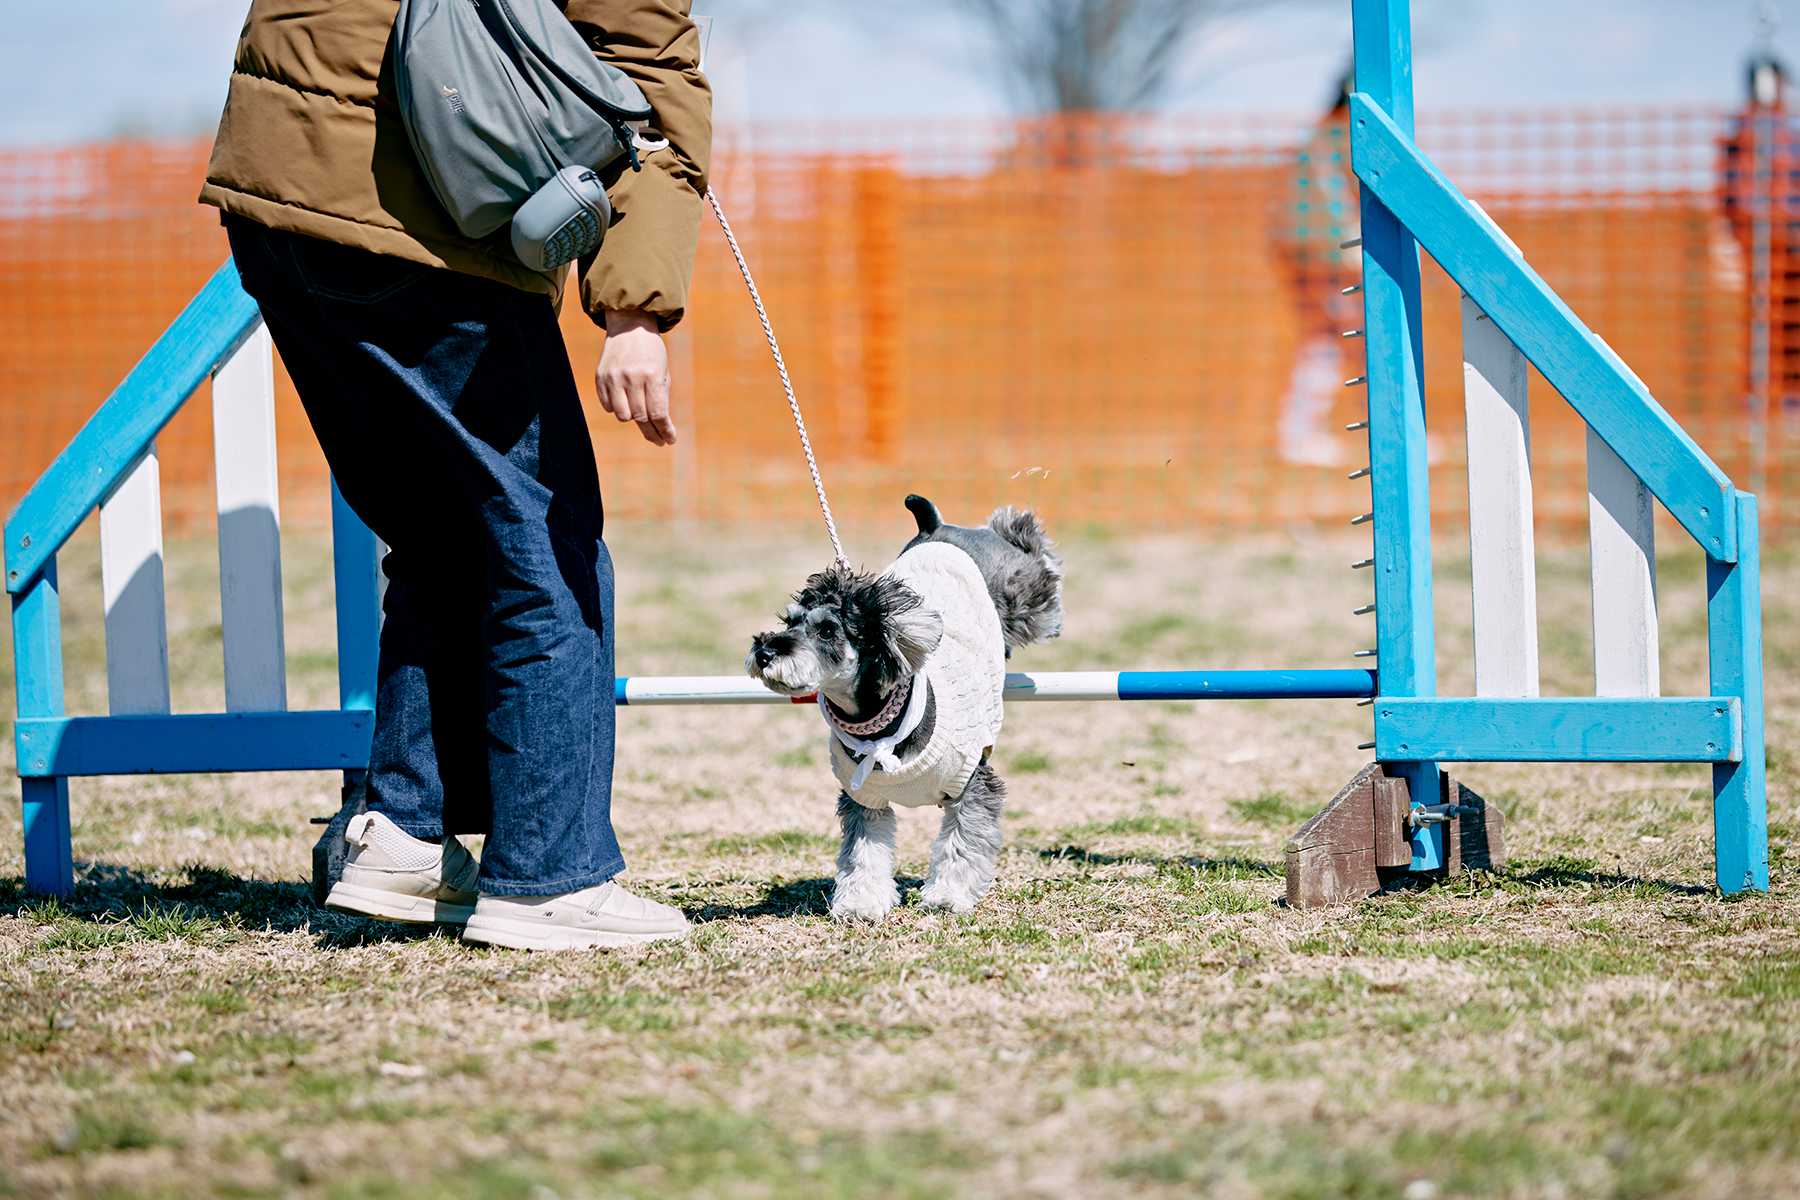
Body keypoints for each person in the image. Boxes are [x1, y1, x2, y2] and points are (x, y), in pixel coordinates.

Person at [199, 0, 711, 949]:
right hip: (420, 223)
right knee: (546, 541)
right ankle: (549, 875)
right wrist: (635, 311)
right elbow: (653, 95)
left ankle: (404, 835)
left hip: (272, 194)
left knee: (437, 532)